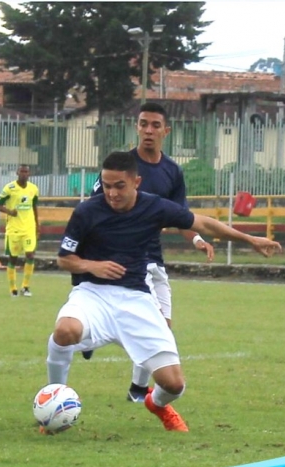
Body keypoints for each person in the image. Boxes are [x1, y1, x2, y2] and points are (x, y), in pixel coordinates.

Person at [45, 151, 281, 432]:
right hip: (92, 294)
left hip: (136, 299)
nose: (112, 193)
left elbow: (203, 223)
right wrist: (91, 266)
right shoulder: (87, 211)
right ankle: (54, 401)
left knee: (174, 385)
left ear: (136, 182)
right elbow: (64, 259)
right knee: (65, 330)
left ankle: (155, 404)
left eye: (119, 186)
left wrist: (249, 239)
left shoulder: (154, 207)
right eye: (106, 186)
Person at [86, 102, 216, 404]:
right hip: (127, 260)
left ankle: (135, 386)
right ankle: (90, 337)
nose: (148, 130)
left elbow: (181, 217)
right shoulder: (122, 165)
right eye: (143, 123)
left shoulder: (172, 171)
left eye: (155, 125)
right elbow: (94, 209)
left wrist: (197, 239)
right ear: (137, 127)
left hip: (154, 258)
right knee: (152, 325)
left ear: (165, 131)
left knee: (163, 326)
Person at [0, 165, 40, 297]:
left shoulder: (33, 189)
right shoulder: (9, 188)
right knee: (13, 258)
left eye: (26, 172)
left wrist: (37, 225)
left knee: (30, 255)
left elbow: (34, 207)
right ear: (17, 172)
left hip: (29, 228)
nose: (24, 174)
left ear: (29, 174)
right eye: (22, 171)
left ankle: (25, 287)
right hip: (14, 229)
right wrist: (10, 212)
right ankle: (13, 288)